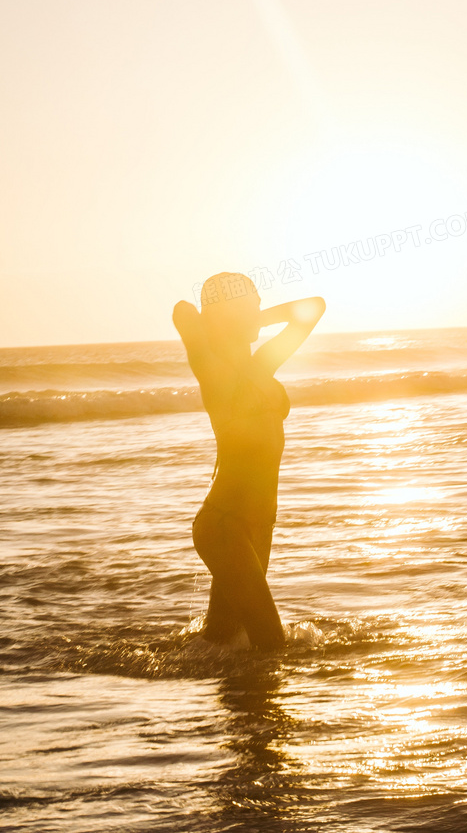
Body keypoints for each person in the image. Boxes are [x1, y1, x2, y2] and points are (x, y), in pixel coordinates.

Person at [172, 272, 325, 650]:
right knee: (271, 643)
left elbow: (313, 308)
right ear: (230, 314)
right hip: (225, 526)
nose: (260, 310)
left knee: (223, 641)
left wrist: (252, 318)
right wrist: (226, 320)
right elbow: (183, 312)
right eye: (252, 304)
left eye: (259, 304)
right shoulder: (213, 368)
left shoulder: (261, 366)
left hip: (260, 526)